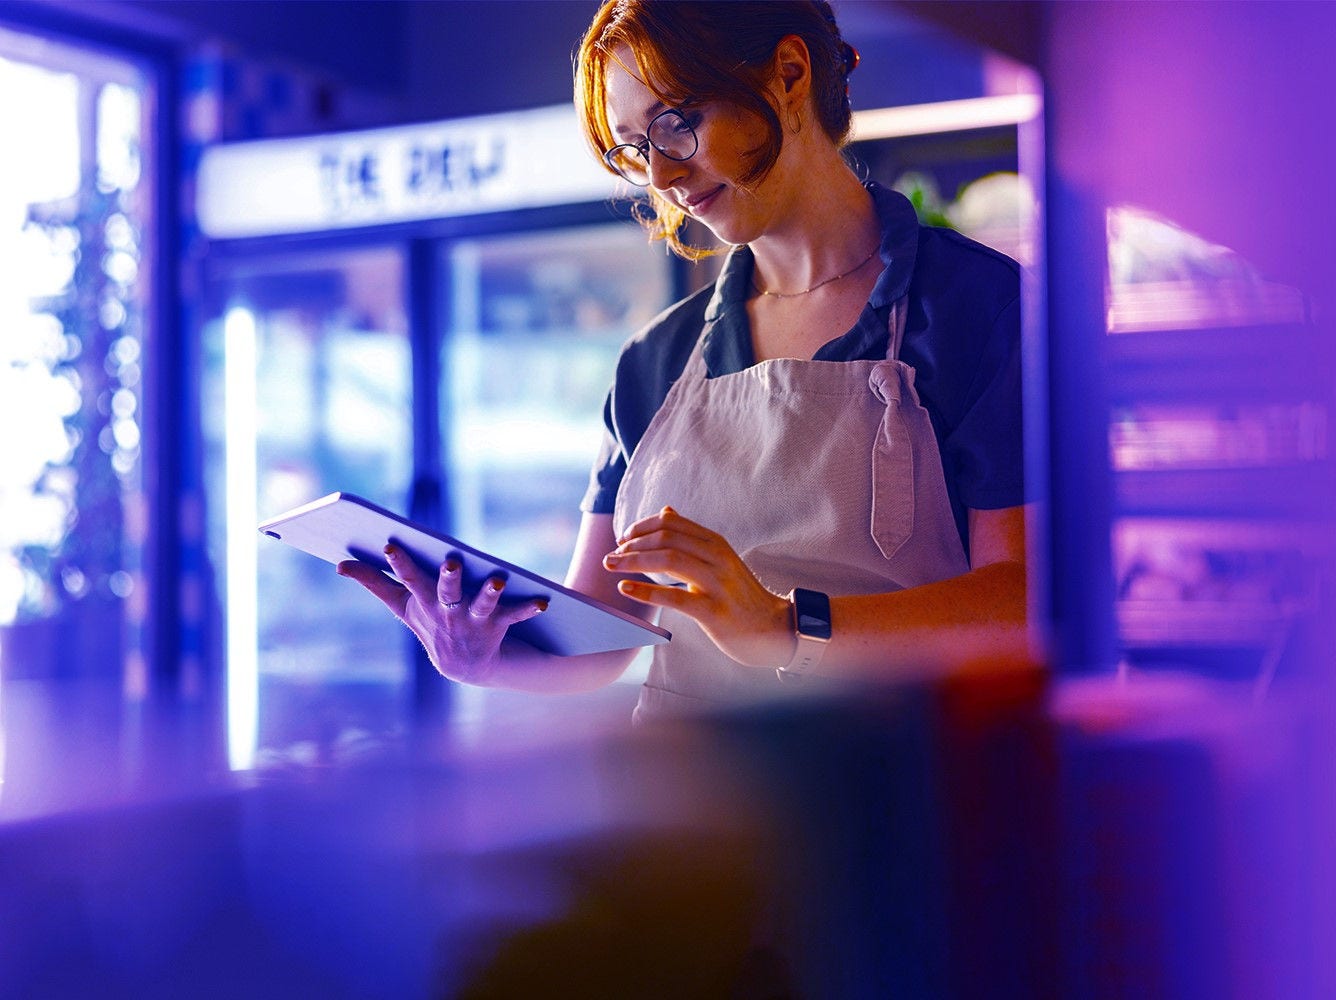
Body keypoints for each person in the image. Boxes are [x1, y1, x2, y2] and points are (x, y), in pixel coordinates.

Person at [338, 0, 1033, 721]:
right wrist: (486, 656)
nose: (663, 176)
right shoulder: (655, 361)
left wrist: (788, 629)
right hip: (686, 814)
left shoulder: (974, 307)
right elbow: (608, 635)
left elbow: (1023, 599)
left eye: (678, 123)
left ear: (790, 74)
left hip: (893, 804)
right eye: (634, 149)